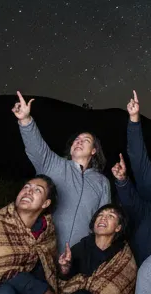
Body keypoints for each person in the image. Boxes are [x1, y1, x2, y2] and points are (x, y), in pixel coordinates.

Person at [13, 91, 111, 249]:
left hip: (79, 255)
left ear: (94, 151)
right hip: (45, 249)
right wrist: (25, 120)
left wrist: (94, 251)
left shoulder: (102, 182)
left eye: (85, 141)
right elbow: (36, 147)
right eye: (76, 140)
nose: (79, 142)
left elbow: (103, 219)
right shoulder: (54, 164)